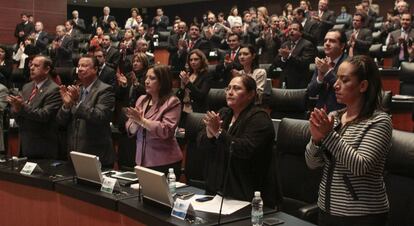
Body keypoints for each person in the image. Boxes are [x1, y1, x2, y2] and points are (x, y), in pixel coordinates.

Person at [305, 55, 392, 226]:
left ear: (363, 85)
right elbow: (312, 163)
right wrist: (315, 141)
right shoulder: (333, 117)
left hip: (362, 216)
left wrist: (328, 135)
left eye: (344, 80)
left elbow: (360, 166)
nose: (336, 85)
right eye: (337, 78)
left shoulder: (379, 121)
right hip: (327, 209)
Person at [198, 75, 275, 204]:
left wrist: (218, 132)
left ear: (251, 94)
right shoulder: (224, 113)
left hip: (247, 193)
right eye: (228, 88)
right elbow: (201, 142)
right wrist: (210, 133)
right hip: (218, 188)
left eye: (237, 88)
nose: (230, 92)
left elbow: (244, 149)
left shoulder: (260, 119)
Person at [57, 56, 115, 167]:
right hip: (74, 154)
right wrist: (67, 106)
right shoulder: (76, 89)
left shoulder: (105, 90)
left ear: (95, 69)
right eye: (78, 66)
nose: (80, 69)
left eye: (85, 66)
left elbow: (100, 117)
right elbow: (60, 121)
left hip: (96, 155)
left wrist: (76, 104)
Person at [125, 64, 183, 176]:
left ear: (162, 82)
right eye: (146, 77)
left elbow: (166, 130)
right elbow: (130, 126)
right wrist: (135, 124)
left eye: (152, 78)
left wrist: (142, 121)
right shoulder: (142, 100)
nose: (146, 81)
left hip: (164, 162)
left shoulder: (172, 102)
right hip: (141, 160)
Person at [7, 55, 62, 159]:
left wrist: (22, 106)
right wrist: (16, 108)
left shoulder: (54, 90)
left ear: (47, 69)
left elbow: (44, 115)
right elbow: (17, 113)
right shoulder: (27, 87)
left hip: (43, 147)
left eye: (36, 66)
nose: (31, 68)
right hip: (24, 143)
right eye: (31, 65)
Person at [307, 29, 347, 113]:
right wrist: (320, 78)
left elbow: (345, 89)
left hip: (341, 113)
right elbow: (311, 92)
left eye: (332, 41)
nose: (327, 43)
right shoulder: (322, 63)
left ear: (342, 46)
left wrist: (328, 72)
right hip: (320, 113)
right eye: (325, 40)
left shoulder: (349, 64)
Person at [272, 22, 315, 89]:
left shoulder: (307, 45)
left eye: (294, 29)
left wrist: (289, 56)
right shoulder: (285, 44)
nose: (291, 31)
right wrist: (283, 58)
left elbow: (304, 62)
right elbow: (276, 62)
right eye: (290, 29)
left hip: (299, 81)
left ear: (301, 33)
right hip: (284, 80)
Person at [177, 49, 211, 115]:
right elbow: (178, 97)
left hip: (198, 111)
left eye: (196, 59)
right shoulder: (188, 75)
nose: (193, 62)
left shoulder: (206, 75)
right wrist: (182, 87)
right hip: (183, 109)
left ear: (202, 61)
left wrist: (188, 83)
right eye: (191, 60)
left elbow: (201, 95)